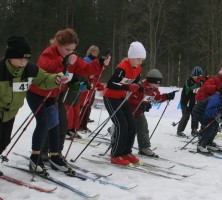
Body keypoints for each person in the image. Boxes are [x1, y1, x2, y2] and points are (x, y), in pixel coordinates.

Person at [26, 28, 110, 173]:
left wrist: (99, 63)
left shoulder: (71, 56)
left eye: (72, 49)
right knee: (44, 123)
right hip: (38, 94)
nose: (70, 51)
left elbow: (86, 69)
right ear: (58, 44)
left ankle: (55, 156)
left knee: (57, 124)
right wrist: (64, 63)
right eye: (67, 49)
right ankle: (35, 157)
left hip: (54, 96)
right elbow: (45, 68)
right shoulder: (49, 53)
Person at [0, 36, 69, 175]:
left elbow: (43, 78)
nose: (23, 62)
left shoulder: (30, 69)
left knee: (3, 141)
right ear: (10, 56)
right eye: (20, 58)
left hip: (10, 113)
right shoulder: (1, 70)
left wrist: (56, 78)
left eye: (26, 59)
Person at [103, 41, 146, 165]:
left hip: (122, 98)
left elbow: (137, 82)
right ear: (132, 57)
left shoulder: (138, 68)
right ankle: (116, 154)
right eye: (138, 59)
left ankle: (126, 152)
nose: (140, 62)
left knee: (132, 124)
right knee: (122, 125)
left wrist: (143, 89)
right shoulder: (122, 67)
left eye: (142, 59)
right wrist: (127, 88)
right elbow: (111, 83)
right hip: (111, 98)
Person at [128, 69, 176, 157]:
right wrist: (141, 105)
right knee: (130, 130)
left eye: (159, 84)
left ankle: (144, 148)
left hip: (139, 113)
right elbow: (131, 99)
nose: (157, 86)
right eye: (156, 83)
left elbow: (156, 98)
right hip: (130, 112)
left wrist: (167, 96)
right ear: (150, 81)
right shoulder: (141, 86)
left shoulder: (154, 89)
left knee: (143, 128)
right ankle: (119, 140)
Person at [192, 82, 222, 153]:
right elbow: (208, 112)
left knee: (215, 125)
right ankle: (201, 145)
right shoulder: (215, 99)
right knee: (210, 126)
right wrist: (218, 110)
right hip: (199, 112)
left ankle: (209, 143)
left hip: (206, 113)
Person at [177, 66, 204, 137]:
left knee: (195, 115)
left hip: (194, 101)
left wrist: (205, 81)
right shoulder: (189, 81)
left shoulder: (200, 81)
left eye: (199, 76)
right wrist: (198, 82)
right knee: (186, 116)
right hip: (186, 102)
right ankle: (180, 131)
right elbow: (190, 88)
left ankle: (194, 129)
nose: (198, 78)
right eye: (196, 76)